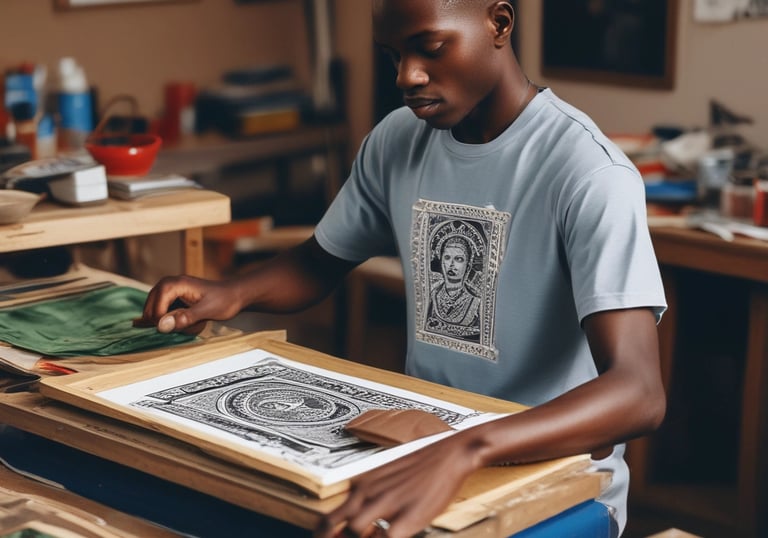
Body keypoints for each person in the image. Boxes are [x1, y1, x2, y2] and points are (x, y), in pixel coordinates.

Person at [139, 0, 668, 536]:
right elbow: (320, 262)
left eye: (430, 48)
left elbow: (638, 392)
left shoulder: (588, 172)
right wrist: (232, 293)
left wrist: (469, 447)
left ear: (499, 24)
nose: (407, 76)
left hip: (553, 477)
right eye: (394, 56)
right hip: (423, 441)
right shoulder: (396, 140)